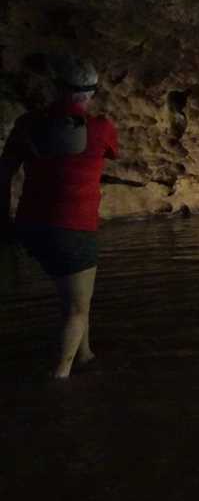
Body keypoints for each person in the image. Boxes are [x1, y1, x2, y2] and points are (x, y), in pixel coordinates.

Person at [0, 56, 118, 379]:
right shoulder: (101, 127)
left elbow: (5, 171)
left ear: (56, 87)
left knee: (78, 299)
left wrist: (4, 219)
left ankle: (86, 356)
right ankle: (59, 380)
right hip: (73, 229)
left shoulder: (27, 124)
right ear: (92, 92)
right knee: (77, 308)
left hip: (30, 226)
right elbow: (108, 151)